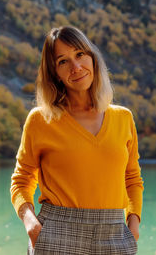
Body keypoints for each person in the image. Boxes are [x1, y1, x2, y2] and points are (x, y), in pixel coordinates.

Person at [10, 26, 144, 255]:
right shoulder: (41, 120)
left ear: (92, 58)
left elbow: (131, 178)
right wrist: (31, 224)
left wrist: (133, 222)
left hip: (114, 236)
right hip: (56, 234)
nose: (76, 67)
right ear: (55, 73)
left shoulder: (123, 118)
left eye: (80, 54)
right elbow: (22, 180)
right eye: (63, 61)